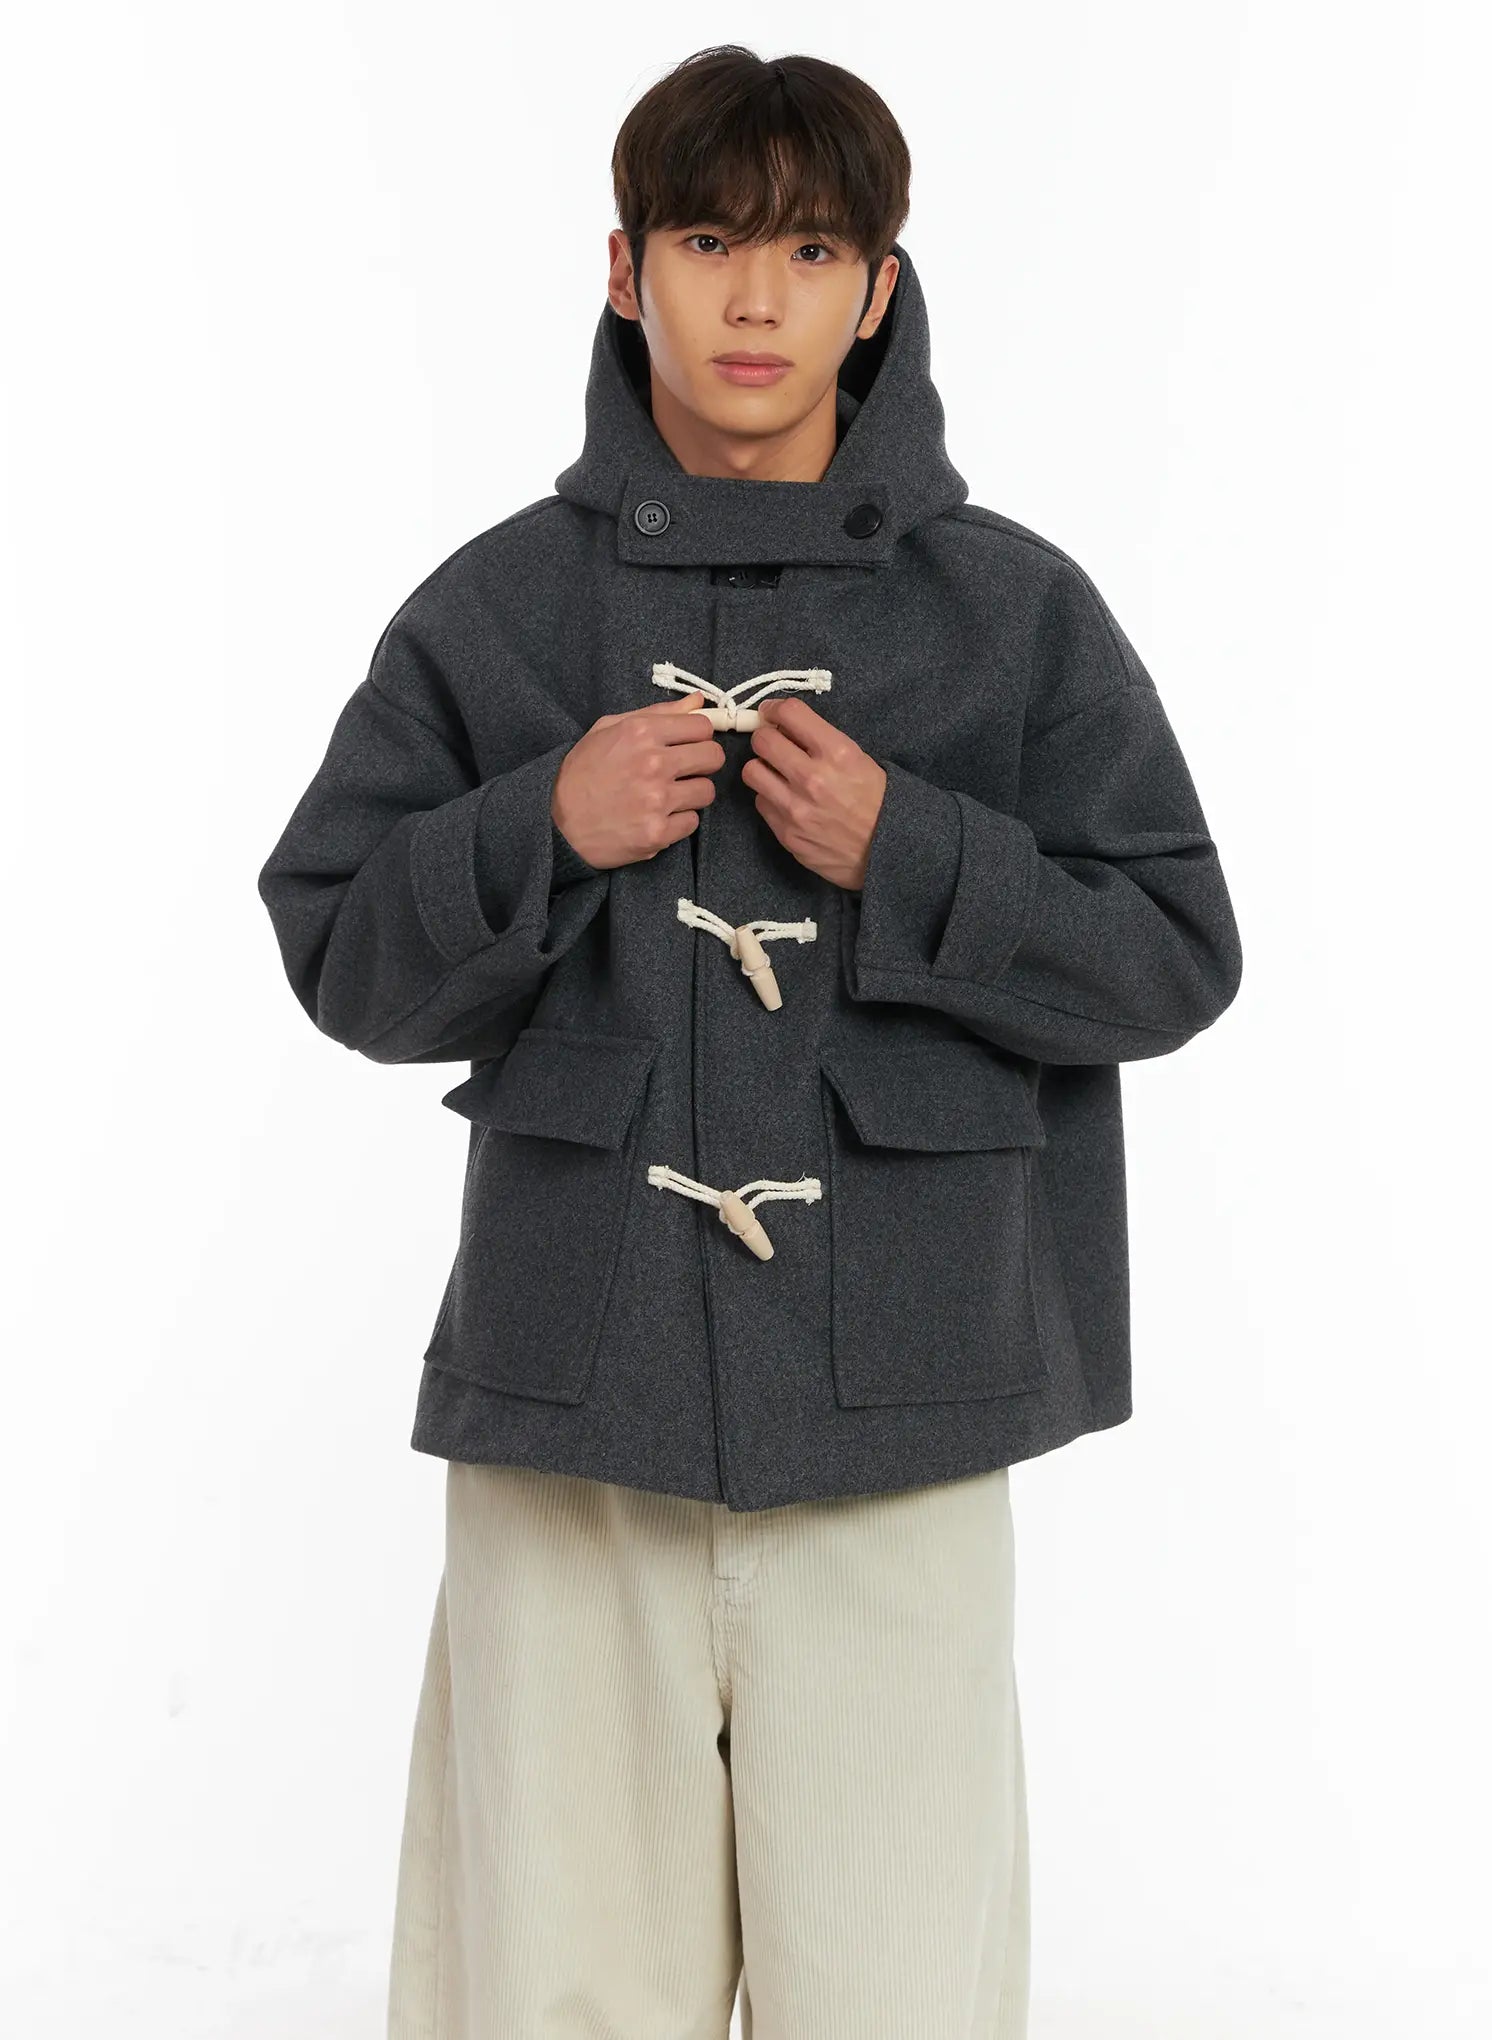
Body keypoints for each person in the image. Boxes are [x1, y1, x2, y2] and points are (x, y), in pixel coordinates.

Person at [257, 44, 1242, 2040]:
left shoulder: (1016, 615)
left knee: (894, 1992)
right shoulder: (497, 612)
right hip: (573, 1404)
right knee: (551, 1990)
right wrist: (542, 823)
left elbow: (1174, 956)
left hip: (905, 1407)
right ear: (627, 269)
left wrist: (916, 855)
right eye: (711, 243)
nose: (758, 299)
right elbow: (343, 956)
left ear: (880, 286)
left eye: (810, 248)